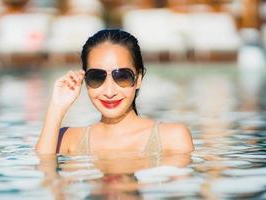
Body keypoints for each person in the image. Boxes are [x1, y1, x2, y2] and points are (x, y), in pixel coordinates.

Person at [35, 29, 194, 155]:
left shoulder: (172, 137)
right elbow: (46, 181)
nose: (109, 91)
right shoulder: (68, 139)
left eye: (122, 76)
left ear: (138, 79)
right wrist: (56, 108)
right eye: (97, 77)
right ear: (85, 79)